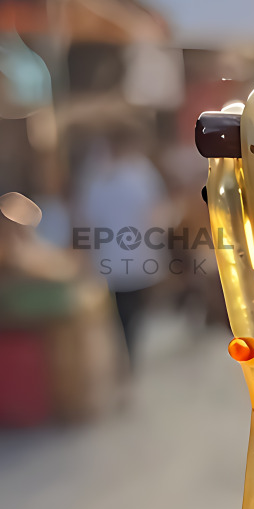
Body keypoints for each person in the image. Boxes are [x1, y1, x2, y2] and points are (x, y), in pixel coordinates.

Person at [74, 127, 168, 361]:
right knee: (129, 313)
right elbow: (156, 214)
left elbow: (86, 219)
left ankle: (127, 355)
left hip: (119, 257)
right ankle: (128, 355)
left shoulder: (106, 176)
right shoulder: (137, 173)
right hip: (129, 256)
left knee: (125, 313)